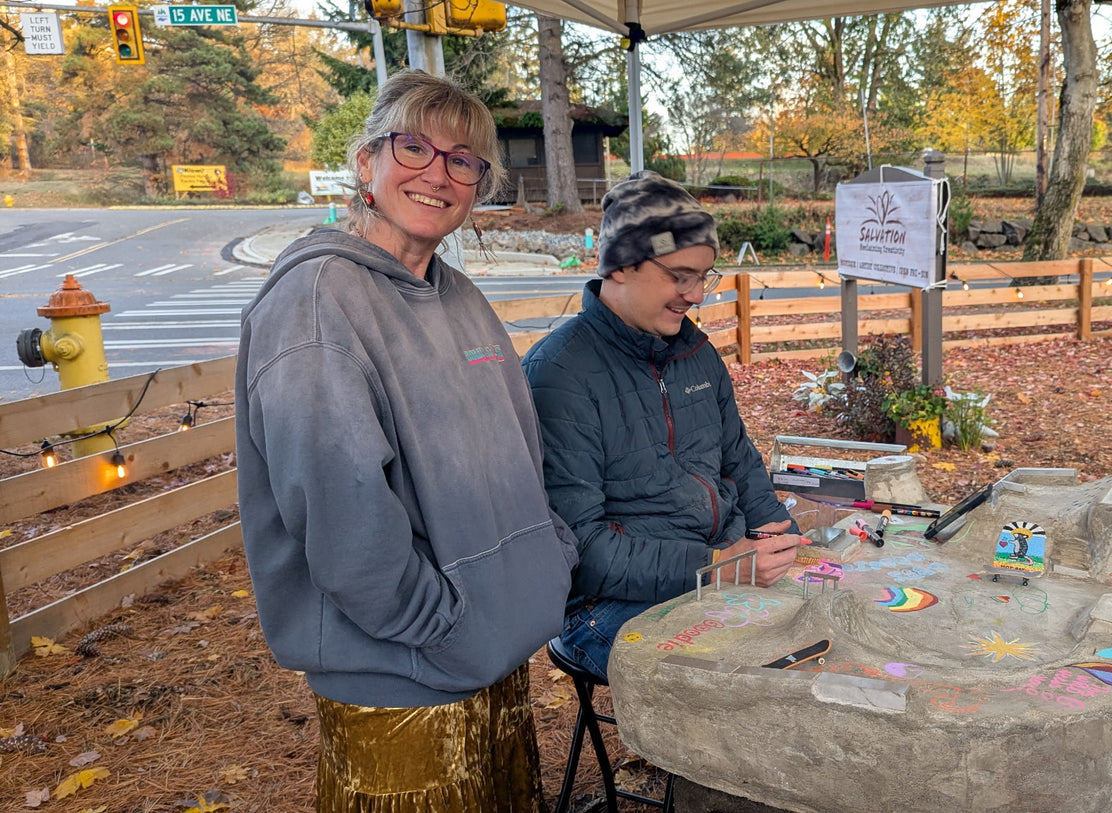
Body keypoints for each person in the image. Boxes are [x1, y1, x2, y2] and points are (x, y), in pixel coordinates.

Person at [235, 70, 577, 812]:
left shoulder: (458, 296)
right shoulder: (317, 300)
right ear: (366, 161)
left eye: (463, 160)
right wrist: (437, 625)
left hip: (490, 649)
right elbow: (337, 507)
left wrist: (544, 558)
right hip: (401, 676)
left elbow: (519, 451)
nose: (438, 173)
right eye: (414, 146)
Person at [522, 170, 804, 681]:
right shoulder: (557, 375)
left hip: (717, 571)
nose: (696, 295)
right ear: (622, 265)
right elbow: (578, 551)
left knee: (830, 641)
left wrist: (781, 537)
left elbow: (739, 463)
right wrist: (722, 566)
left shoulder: (695, 353)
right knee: (762, 687)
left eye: (704, 277)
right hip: (605, 607)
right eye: (681, 275)